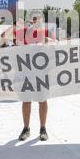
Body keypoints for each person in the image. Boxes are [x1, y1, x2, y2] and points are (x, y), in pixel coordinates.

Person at [18, 14, 56, 142]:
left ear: (43, 20)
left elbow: (57, 44)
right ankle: (26, 128)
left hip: (42, 72)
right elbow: (5, 37)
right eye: (34, 19)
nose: (36, 21)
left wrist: (47, 40)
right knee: (26, 101)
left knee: (42, 100)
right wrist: (16, 25)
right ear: (31, 21)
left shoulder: (47, 31)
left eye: (38, 18)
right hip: (26, 71)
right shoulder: (25, 33)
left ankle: (43, 128)